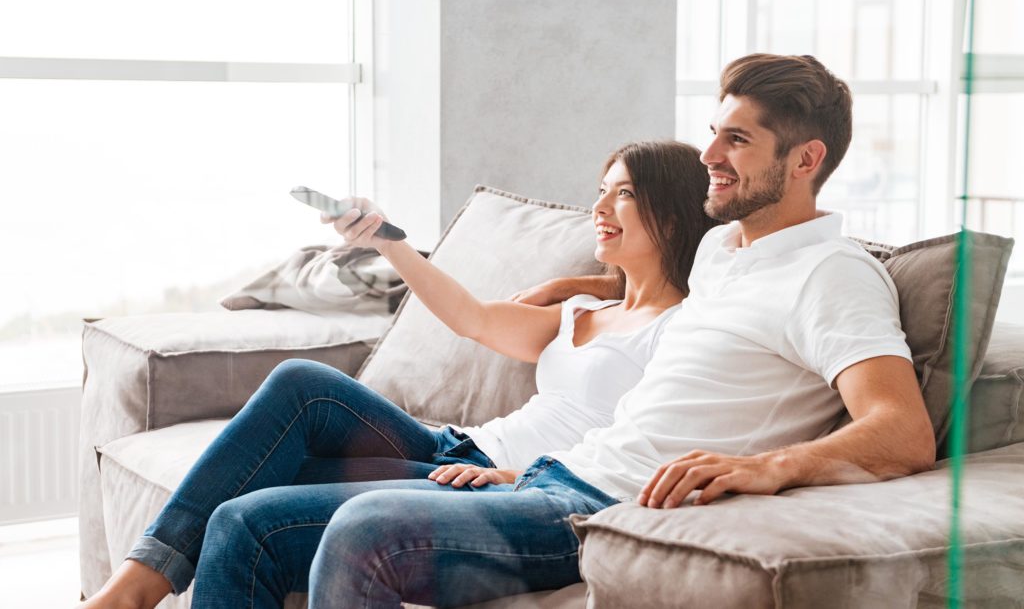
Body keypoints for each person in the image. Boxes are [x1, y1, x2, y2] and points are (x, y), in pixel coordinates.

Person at [299, 54, 936, 608]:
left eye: (736, 140)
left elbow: (903, 430)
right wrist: (582, 291)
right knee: (261, 524)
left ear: (806, 159)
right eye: (713, 133)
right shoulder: (722, 250)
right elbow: (664, 306)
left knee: (366, 529)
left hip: (604, 506)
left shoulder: (834, 274)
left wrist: (772, 467)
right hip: (561, 477)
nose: (709, 157)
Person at [79, 140, 720, 609]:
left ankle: (133, 589)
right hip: (452, 447)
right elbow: (468, 316)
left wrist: (515, 474)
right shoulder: (581, 311)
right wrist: (388, 240)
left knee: (245, 517)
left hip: (504, 483)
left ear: (672, 213)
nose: (600, 206)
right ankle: (136, 582)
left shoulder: (685, 330)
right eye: (601, 188)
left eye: (625, 192)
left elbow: (642, 445)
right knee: (301, 385)